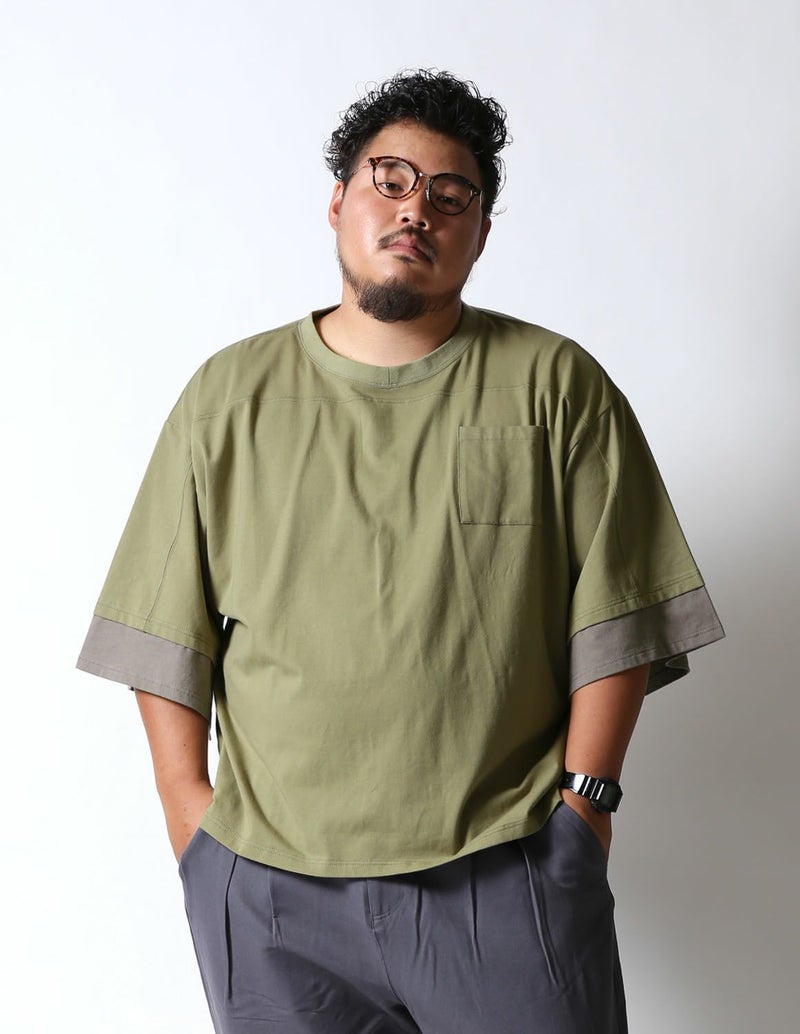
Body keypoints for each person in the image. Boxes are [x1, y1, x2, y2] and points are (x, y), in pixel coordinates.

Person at [77, 69, 724, 1034]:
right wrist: (192, 822)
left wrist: (584, 810)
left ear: (481, 232)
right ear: (339, 199)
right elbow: (164, 627)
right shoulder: (228, 398)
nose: (417, 208)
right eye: (391, 180)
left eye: (451, 195)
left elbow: (619, 614)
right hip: (270, 893)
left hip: (505, 872)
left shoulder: (556, 386)